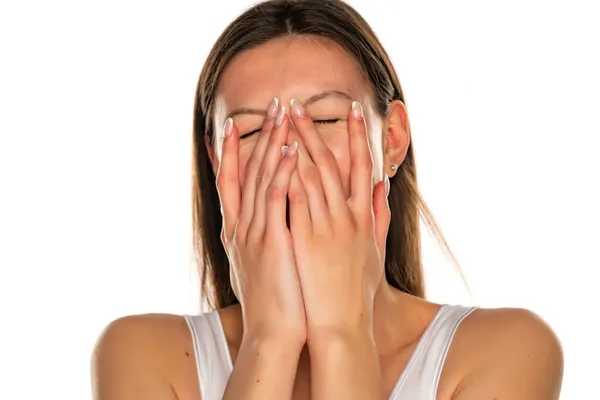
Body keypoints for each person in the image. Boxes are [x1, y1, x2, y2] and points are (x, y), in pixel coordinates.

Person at [91, 0, 564, 399]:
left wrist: (342, 333)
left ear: (393, 139)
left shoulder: (507, 349)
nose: (290, 154)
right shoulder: (141, 354)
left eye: (325, 121)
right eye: (255, 130)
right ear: (218, 163)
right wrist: (269, 340)